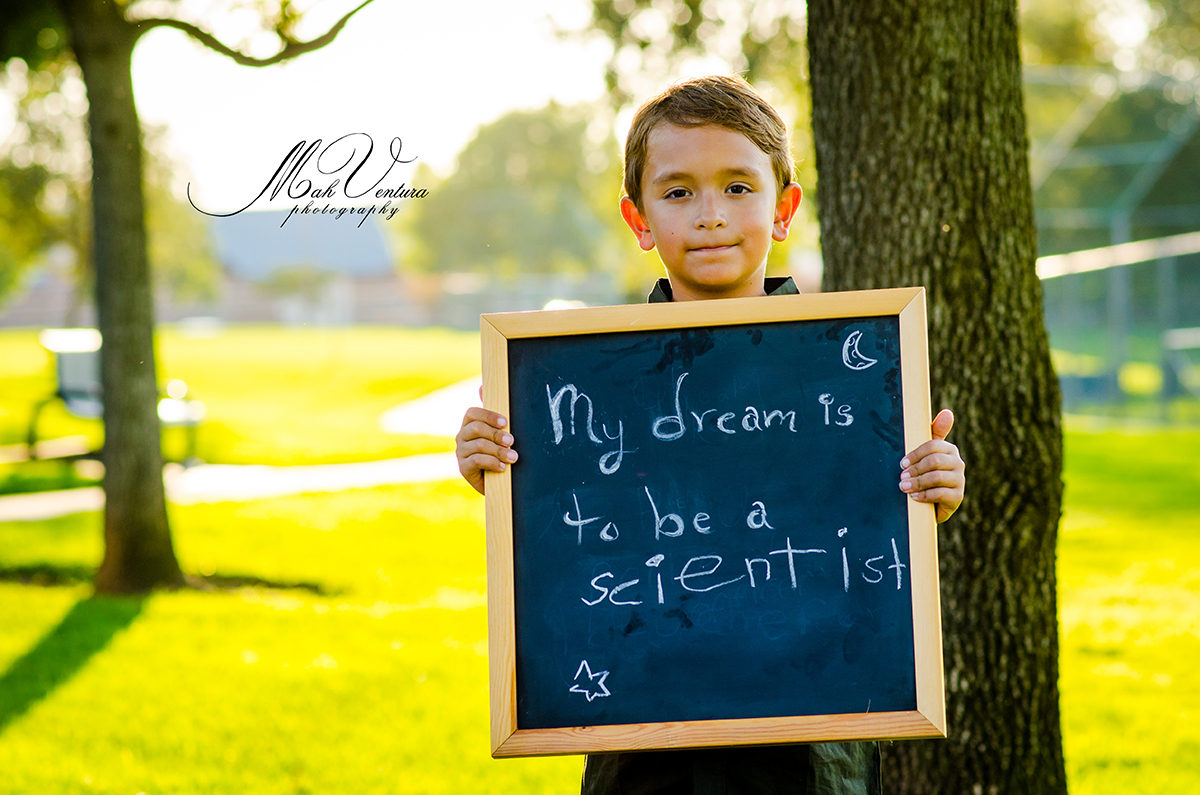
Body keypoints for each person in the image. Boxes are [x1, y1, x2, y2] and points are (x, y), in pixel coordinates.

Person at [455, 75, 966, 795]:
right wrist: (500, 463)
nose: (710, 215)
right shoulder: (582, 379)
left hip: (811, 743)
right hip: (640, 742)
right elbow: (558, 526)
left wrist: (933, 485)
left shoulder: (851, 369)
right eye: (678, 192)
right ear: (639, 221)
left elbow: (872, 523)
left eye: (737, 187)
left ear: (783, 209)